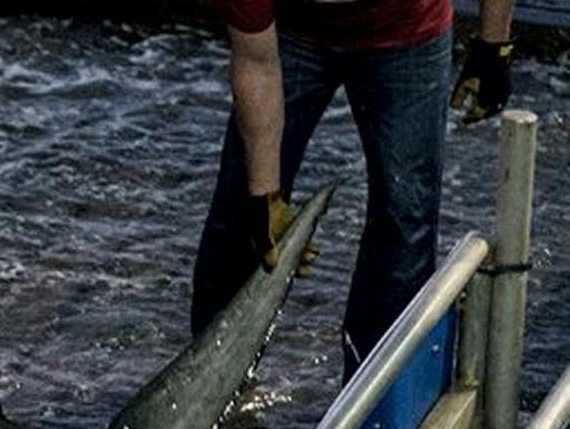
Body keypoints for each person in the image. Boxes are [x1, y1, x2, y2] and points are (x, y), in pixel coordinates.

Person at [189, 0, 516, 381]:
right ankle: (213, 382)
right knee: (242, 215)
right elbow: (257, 64)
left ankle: (374, 394)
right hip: (290, 33)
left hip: (407, 33)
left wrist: (493, 45)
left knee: (404, 216)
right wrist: (265, 197)